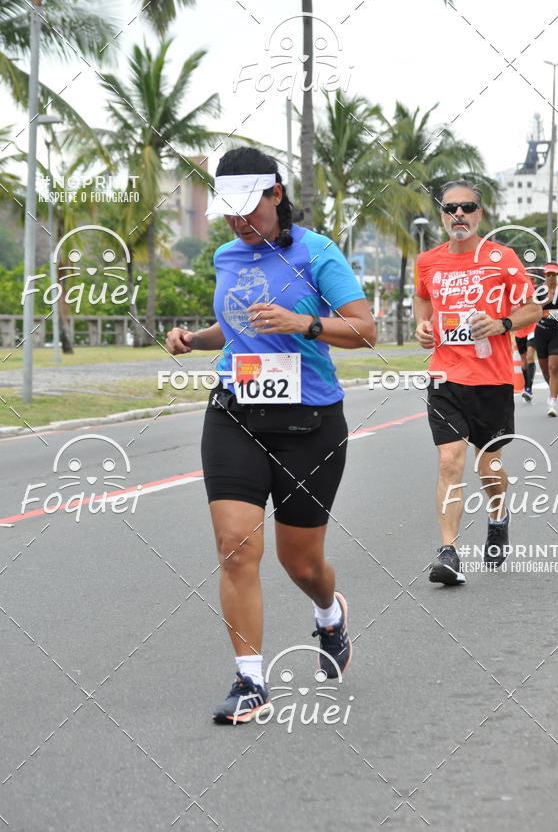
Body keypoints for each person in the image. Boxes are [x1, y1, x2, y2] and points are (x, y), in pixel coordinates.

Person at [166, 146, 376, 724]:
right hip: (235, 412)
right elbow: (236, 327)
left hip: (310, 423)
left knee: (301, 564)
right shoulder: (228, 256)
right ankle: (250, 681)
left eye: (248, 208)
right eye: (228, 211)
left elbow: (365, 329)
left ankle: (329, 615)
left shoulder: (316, 253)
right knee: (236, 548)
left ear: (276, 195)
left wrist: (304, 323)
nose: (238, 221)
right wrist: (196, 339)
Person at [413, 180, 542, 585]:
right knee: (450, 460)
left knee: (490, 467)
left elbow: (533, 307)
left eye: (467, 208)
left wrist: (502, 322)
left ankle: (498, 513)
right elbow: (422, 297)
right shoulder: (428, 261)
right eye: (451, 209)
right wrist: (422, 323)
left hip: (492, 379)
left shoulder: (502, 258)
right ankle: (449, 552)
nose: (459, 215)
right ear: (442, 216)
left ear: (479, 214)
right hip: (446, 375)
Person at [533, 263, 558, 417]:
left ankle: (553, 402)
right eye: (548, 274)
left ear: (557, 274)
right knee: (544, 369)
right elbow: (532, 309)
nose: (551, 277)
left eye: (553, 274)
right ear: (544, 275)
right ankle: (553, 389)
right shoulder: (537, 290)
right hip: (541, 332)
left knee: (553, 368)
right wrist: (545, 301)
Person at [514, 320, 537, 402]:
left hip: (532, 331)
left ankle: (528, 389)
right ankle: (526, 385)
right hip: (519, 333)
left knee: (530, 356)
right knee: (524, 361)